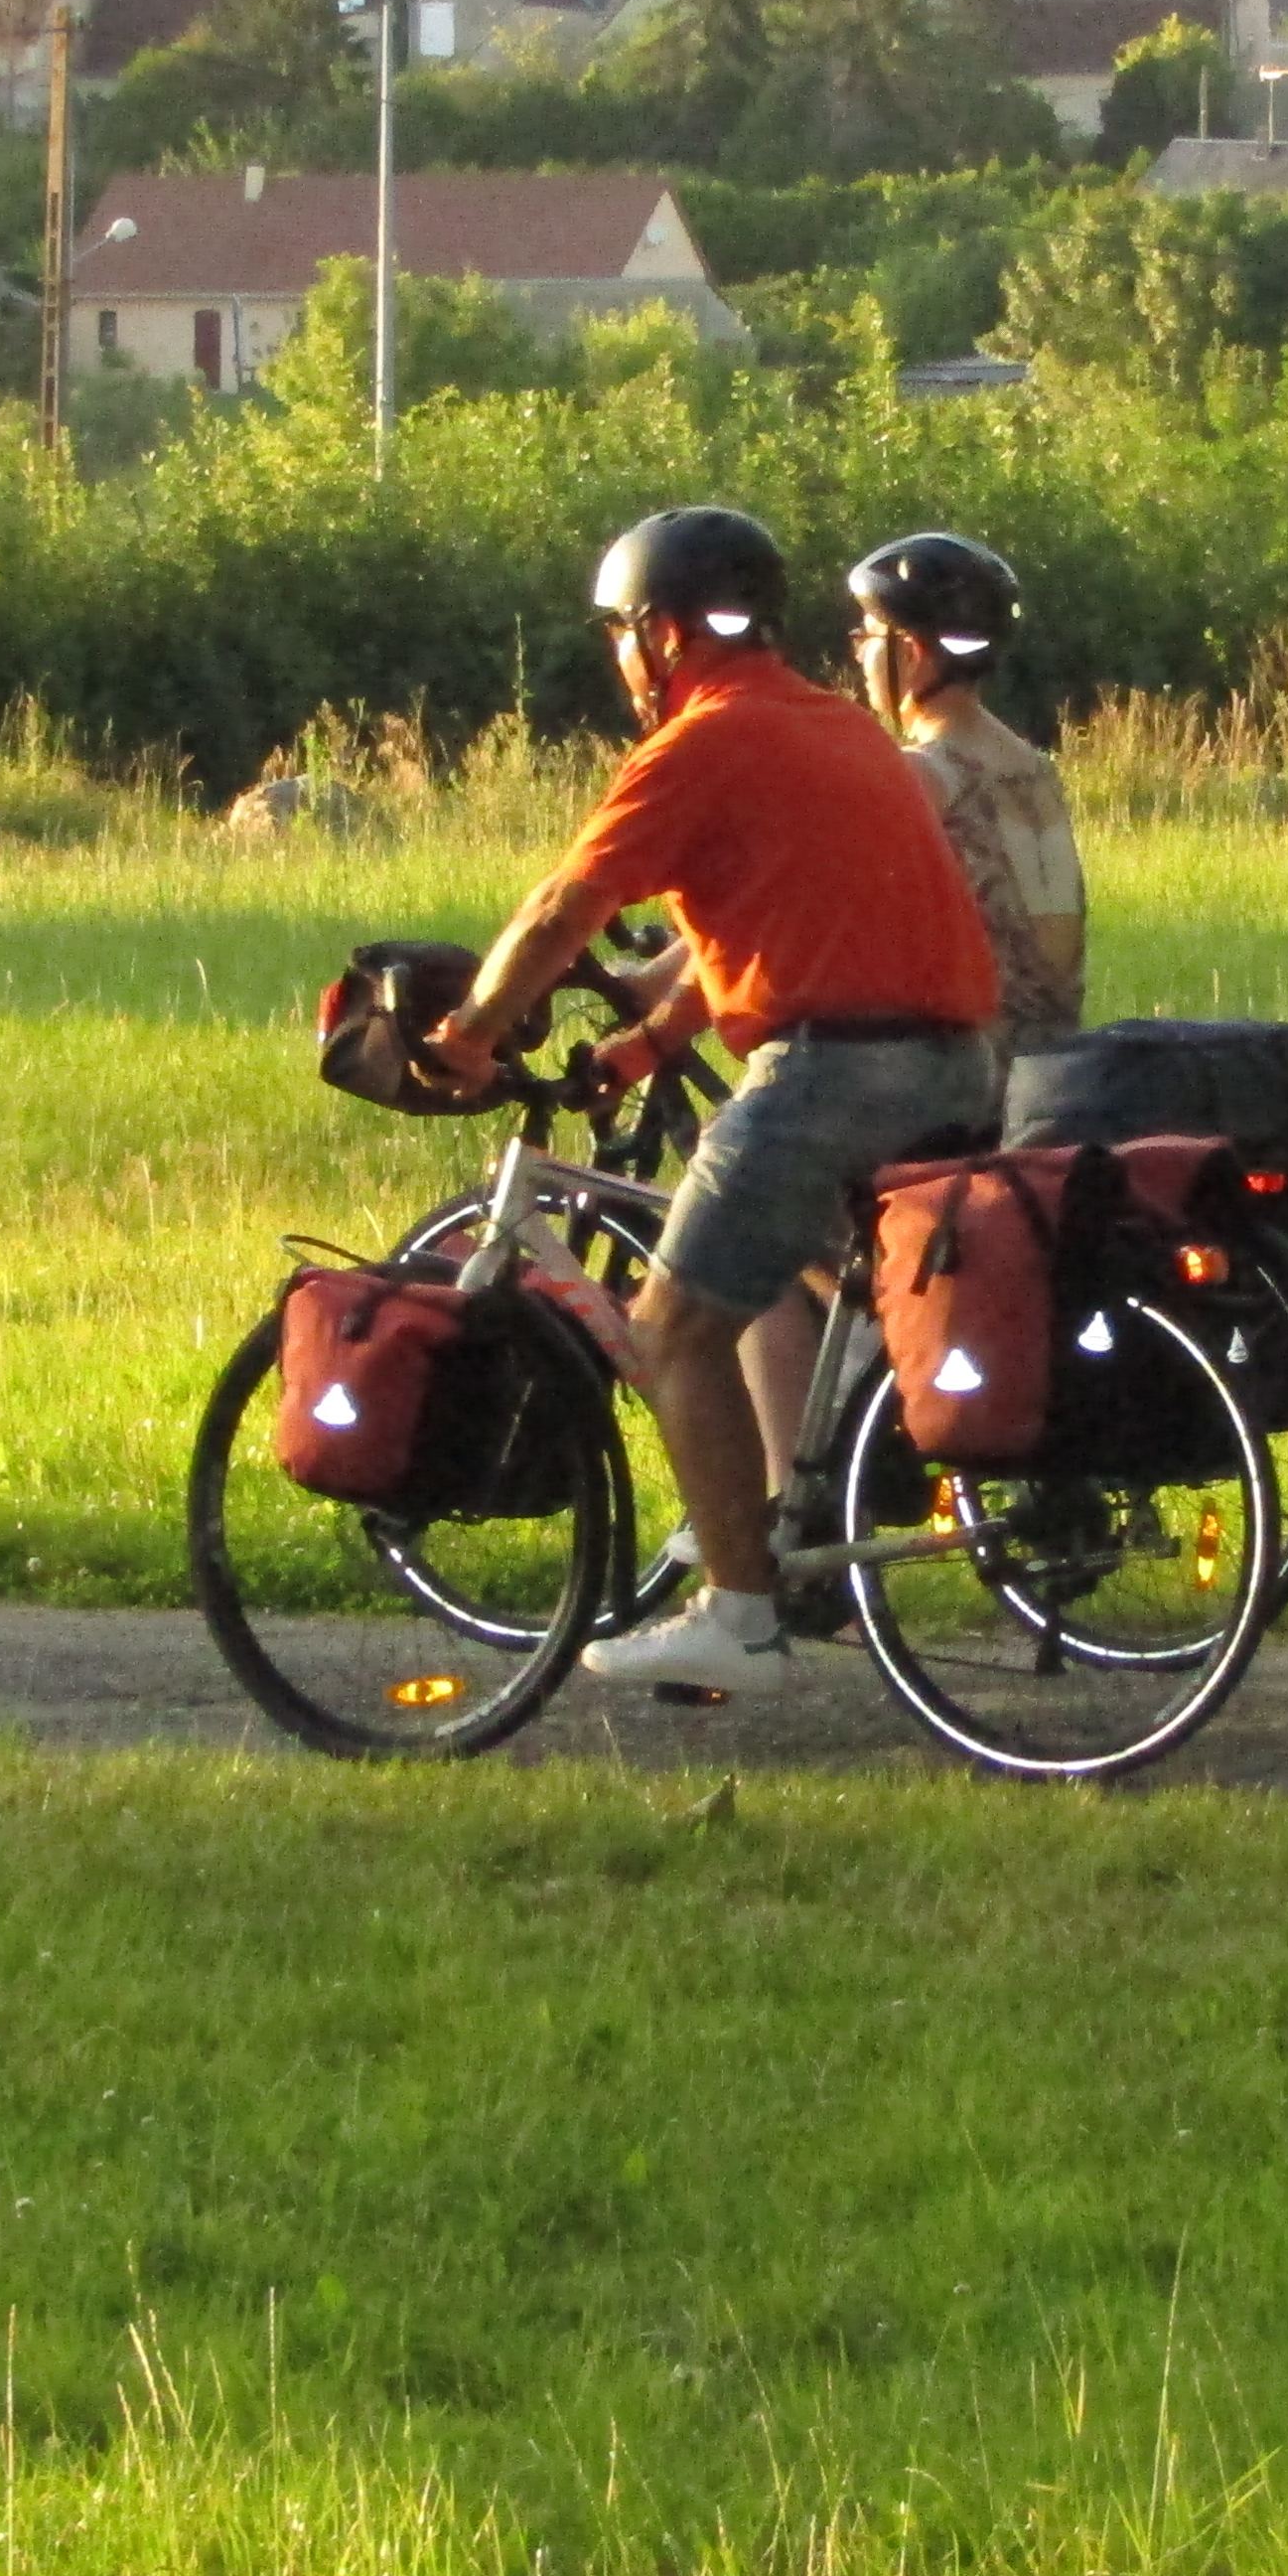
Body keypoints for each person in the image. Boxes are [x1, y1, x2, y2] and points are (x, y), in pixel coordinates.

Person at [429, 505, 1002, 1695]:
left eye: (619, 636)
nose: (618, 660)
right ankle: (781, 1524)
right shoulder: (835, 726)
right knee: (815, 1285)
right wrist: (643, 1048)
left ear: (659, 635)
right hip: (949, 1059)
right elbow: (772, 927)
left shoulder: (697, 742)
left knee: (674, 1326)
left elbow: (557, 914)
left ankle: (739, 1616)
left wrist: (471, 1035)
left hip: (834, 1068)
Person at [845, 531, 1084, 1063]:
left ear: (907, 652)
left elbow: (814, 896)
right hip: (1055, 1067)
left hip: (971, 1072)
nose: (859, 655)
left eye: (865, 638)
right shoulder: (1034, 767)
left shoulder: (924, 773)